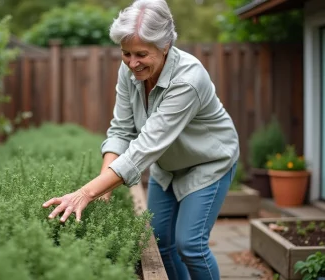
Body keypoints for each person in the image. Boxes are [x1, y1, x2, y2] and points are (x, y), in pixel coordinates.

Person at [42, 0, 240, 279]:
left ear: (166, 45)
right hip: (167, 165)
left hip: (207, 163)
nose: (132, 63)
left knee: (190, 245)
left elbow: (145, 147)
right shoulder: (129, 72)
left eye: (141, 54)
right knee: (161, 242)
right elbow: (122, 130)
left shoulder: (188, 80)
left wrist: (85, 193)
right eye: (126, 53)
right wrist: (104, 189)